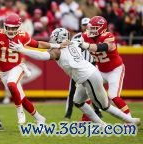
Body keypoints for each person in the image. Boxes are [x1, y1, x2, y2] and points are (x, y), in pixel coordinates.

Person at [9, 27, 140, 126]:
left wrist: (22, 50)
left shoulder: (58, 51)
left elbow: (42, 56)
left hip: (88, 77)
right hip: (87, 76)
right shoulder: (73, 43)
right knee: (78, 101)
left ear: (59, 38)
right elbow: (44, 46)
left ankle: (131, 120)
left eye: (54, 37)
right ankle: (101, 125)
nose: (52, 39)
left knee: (104, 106)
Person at [0, 13, 59, 125]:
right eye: (8, 28)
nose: (10, 31)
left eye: (13, 28)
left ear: (18, 27)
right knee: (22, 98)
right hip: (4, 72)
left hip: (17, 67)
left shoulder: (22, 36)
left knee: (11, 84)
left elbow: (38, 44)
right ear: (4, 26)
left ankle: (20, 112)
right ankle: (39, 118)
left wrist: (56, 46)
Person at [79, 16, 132, 117]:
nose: (90, 30)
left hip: (115, 70)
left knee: (113, 96)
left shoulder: (108, 36)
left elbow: (105, 47)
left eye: (93, 28)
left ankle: (129, 119)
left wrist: (88, 46)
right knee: (90, 93)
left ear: (101, 29)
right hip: (100, 70)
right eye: (90, 27)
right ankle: (85, 122)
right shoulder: (85, 36)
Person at [64, 17, 102, 120]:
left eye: (87, 25)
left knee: (91, 90)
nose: (85, 27)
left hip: (90, 65)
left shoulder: (95, 36)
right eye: (84, 25)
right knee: (72, 89)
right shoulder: (76, 36)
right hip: (78, 66)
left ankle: (97, 111)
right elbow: (70, 49)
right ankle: (69, 111)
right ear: (81, 25)